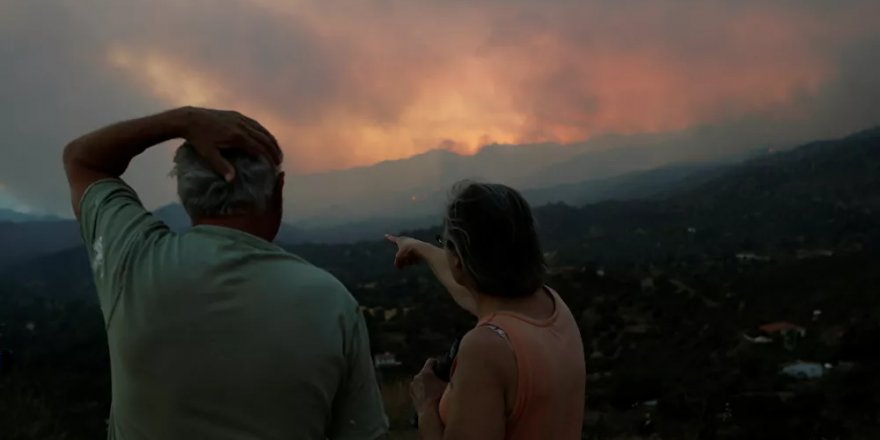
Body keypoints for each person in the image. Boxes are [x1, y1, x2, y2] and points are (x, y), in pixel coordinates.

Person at [63, 107, 387, 440]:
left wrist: (182, 121)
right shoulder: (332, 304)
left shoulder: (133, 261)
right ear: (278, 190)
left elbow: (82, 159)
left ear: (186, 196)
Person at [387, 182, 586, 440]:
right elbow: (464, 286)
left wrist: (426, 407)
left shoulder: (485, 349)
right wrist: (420, 248)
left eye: (445, 244)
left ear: (459, 258)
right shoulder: (552, 307)